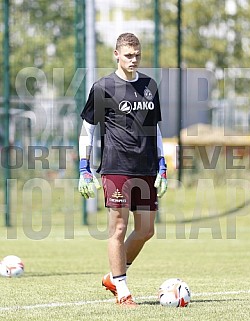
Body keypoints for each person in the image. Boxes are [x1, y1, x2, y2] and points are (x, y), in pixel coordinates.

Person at [78, 33, 167, 306]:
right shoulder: (103, 87)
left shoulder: (150, 85)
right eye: (128, 55)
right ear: (116, 54)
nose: (134, 59)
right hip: (116, 167)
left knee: (146, 230)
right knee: (118, 229)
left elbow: (156, 128)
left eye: (137, 54)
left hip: (146, 167)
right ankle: (122, 288)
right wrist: (84, 167)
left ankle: (112, 276)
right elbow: (88, 129)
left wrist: (162, 164)